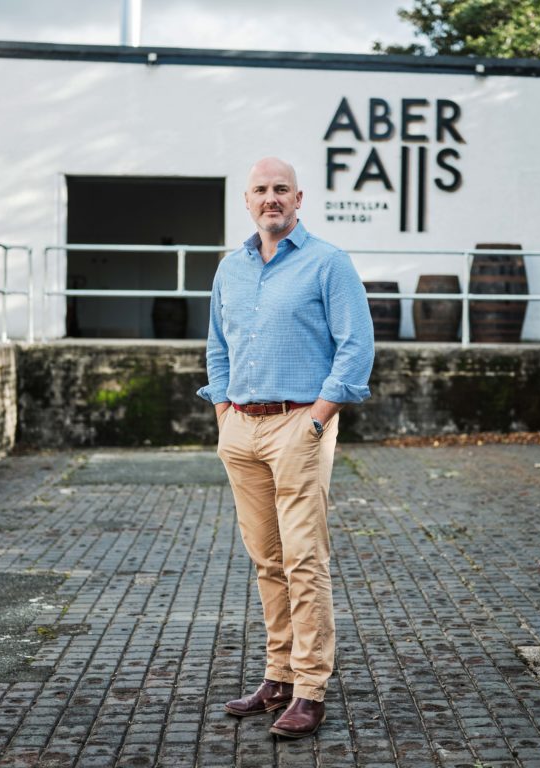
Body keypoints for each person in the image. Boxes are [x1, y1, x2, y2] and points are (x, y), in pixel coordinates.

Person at [197, 157, 374, 739]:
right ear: (247, 202)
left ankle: (310, 689)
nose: (271, 199)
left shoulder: (329, 263)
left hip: (300, 425)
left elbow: (355, 350)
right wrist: (223, 411)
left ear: (300, 199)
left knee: (304, 560)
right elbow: (217, 346)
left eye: (281, 190)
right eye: (260, 191)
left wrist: (319, 419)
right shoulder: (230, 269)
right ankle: (276, 676)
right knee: (267, 561)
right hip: (241, 430)